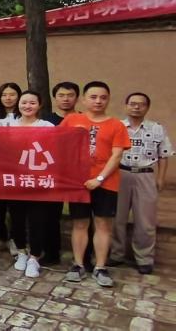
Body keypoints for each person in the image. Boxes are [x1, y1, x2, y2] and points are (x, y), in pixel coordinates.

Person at [61, 81, 131, 288]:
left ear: (108, 100)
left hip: (106, 183)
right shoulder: (72, 120)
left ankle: (100, 266)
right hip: (78, 183)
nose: (98, 101)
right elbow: (57, 144)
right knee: (79, 223)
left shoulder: (116, 125)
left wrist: (99, 179)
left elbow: (116, 155)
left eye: (103, 97)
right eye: (93, 97)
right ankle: (78, 264)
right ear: (83, 99)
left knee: (103, 225)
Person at [110, 92, 172, 274]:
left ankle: (144, 258)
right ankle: (116, 254)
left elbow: (164, 155)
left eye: (141, 104)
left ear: (147, 107)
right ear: (126, 106)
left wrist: (160, 178)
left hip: (145, 175)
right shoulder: (117, 126)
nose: (136, 107)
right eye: (132, 103)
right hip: (120, 174)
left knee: (145, 220)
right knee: (117, 217)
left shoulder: (157, 129)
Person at [7, 91, 56, 277]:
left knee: (38, 220)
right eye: (24, 102)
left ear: (39, 105)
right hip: (15, 182)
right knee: (16, 219)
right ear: (18, 104)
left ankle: (34, 257)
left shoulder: (47, 127)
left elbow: (54, 152)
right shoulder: (9, 126)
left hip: (38, 182)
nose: (28, 106)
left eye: (32, 103)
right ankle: (21, 252)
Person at [40, 81, 80, 264]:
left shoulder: (84, 119)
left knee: (81, 216)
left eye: (70, 95)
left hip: (78, 175)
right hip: (53, 173)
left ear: (77, 98)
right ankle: (51, 253)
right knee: (50, 215)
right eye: (61, 95)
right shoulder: (46, 121)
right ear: (55, 98)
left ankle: (84, 257)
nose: (66, 99)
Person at [0, 82, 23, 255]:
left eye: (12, 94)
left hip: (19, 168)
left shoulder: (23, 116)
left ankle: (16, 240)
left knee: (16, 207)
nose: (8, 98)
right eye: (4, 95)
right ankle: (0, 236)